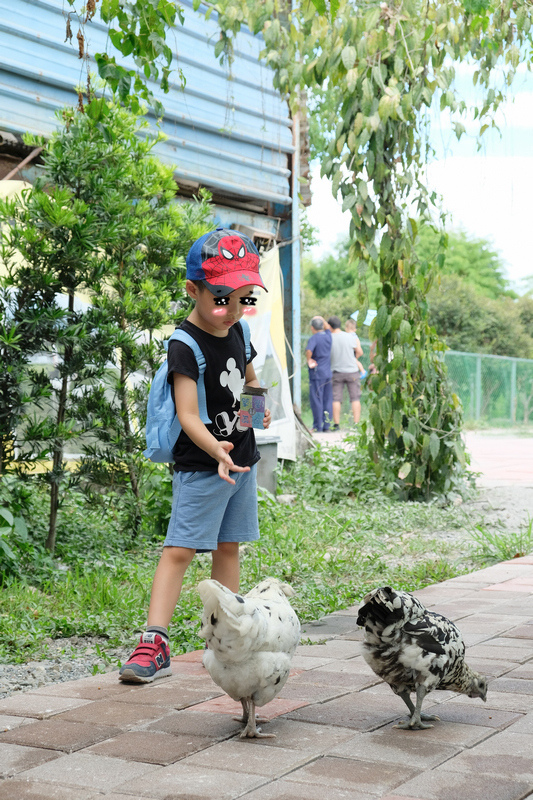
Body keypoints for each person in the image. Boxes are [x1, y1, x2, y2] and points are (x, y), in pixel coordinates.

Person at [119, 228, 271, 683]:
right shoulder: (184, 344)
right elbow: (187, 415)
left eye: (245, 299)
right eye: (222, 299)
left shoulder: (238, 329)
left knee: (229, 546)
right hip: (204, 465)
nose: (234, 310)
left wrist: (253, 418)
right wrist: (217, 452)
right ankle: (154, 643)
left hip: (238, 460)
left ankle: (227, 638)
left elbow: (249, 378)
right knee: (180, 551)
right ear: (192, 290)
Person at [328, 315, 364, 428]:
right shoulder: (349, 336)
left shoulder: (329, 338)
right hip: (352, 371)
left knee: (336, 398)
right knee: (355, 398)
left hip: (337, 372)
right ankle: (356, 423)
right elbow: (359, 351)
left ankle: (336, 424)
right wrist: (354, 359)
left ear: (330, 326)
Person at [305, 315, 333, 432]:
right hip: (327, 373)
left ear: (312, 328)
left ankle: (318, 426)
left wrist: (309, 359)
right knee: (327, 400)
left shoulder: (314, 338)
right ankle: (327, 425)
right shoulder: (328, 336)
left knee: (317, 400)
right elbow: (328, 327)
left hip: (317, 374)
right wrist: (322, 318)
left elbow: (308, 350)